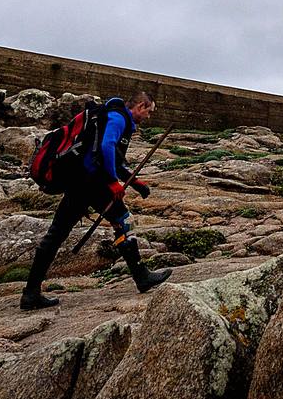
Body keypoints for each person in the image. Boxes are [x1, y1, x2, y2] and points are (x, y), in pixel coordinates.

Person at [20, 92, 171, 310]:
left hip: (78, 182)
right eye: (149, 111)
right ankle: (142, 276)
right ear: (140, 105)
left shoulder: (107, 116)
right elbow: (106, 147)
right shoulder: (118, 118)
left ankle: (30, 293)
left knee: (56, 235)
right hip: (93, 183)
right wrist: (112, 182)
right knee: (124, 221)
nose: (148, 117)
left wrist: (135, 182)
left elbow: (114, 159)